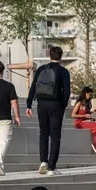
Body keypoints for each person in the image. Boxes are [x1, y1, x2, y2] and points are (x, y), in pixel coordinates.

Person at [26, 45, 71, 175]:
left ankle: (43, 162)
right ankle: (52, 167)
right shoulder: (63, 72)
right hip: (56, 105)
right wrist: (62, 106)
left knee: (43, 133)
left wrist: (29, 105)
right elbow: (67, 92)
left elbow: (33, 87)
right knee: (55, 136)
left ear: (49, 56)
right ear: (61, 57)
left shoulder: (41, 69)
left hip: (41, 104)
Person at [71, 86, 96, 155]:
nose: (90, 96)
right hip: (80, 123)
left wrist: (92, 113)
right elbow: (73, 115)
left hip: (86, 121)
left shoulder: (88, 103)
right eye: (89, 94)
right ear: (85, 93)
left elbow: (87, 114)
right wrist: (84, 116)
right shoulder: (79, 103)